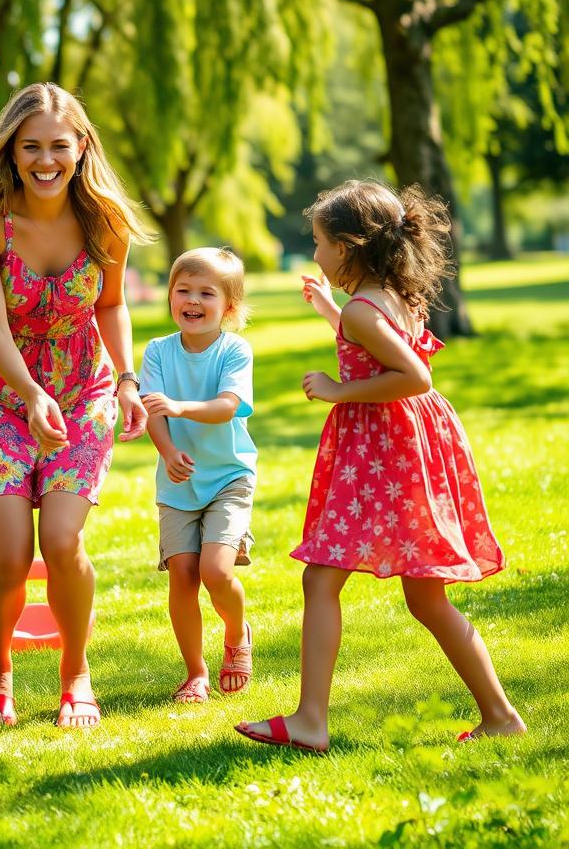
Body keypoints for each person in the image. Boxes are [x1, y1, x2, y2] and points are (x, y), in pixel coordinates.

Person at [236, 180, 525, 753]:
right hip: (411, 447)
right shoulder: (387, 297)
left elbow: (416, 376)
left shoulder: (363, 312)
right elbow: (373, 340)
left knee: (321, 576)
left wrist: (339, 390)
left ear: (346, 248)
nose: (315, 254)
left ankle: (310, 721)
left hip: (382, 453)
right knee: (426, 597)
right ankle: (500, 714)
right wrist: (329, 311)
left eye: (318, 242)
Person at [0, 82, 150, 729]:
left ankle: (75, 675)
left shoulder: (106, 221)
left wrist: (126, 379)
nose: (45, 160)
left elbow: (110, 304)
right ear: (10, 150)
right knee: (10, 554)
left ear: (82, 147)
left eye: (59, 145)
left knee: (61, 540)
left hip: (83, 390)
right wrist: (29, 394)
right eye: (30, 146)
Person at [140, 248, 257, 705]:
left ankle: (236, 633)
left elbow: (228, 405)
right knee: (183, 575)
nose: (192, 300)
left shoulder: (234, 350)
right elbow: (153, 413)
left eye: (206, 293)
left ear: (227, 307)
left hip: (228, 475)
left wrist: (180, 407)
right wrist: (167, 452)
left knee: (214, 569)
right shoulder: (158, 351)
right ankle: (195, 672)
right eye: (183, 290)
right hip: (177, 482)